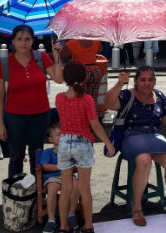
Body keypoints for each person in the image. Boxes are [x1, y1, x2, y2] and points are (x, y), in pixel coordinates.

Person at [104, 66, 166, 227]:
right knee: (144, 159)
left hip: (153, 136)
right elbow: (108, 103)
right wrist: (119, 84)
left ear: (155, 82)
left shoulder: (160, 96)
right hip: (131, 135)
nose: (147, 83)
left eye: (150, 80)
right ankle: (136, 208)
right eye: (142, 79)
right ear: (135, 81)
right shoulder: (127, 95)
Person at [0, 24, 64, 178]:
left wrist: (57, 54)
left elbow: (59, 79)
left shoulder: (41, 57)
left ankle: (37, 195)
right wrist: (0, 124)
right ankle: (16, 196)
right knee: (16, 157)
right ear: (13, 41)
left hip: (40, 115)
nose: (23, 43)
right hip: (14, 116)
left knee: (36, 156)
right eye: (19, 39)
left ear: (32, 41)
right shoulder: (5, 63)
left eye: (27, 39)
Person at [56, 61, 115, 233]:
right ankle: (88, 225)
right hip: (82, 142)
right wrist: (108, 144)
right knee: (84, 188)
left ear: (65, 79)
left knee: (65, 189)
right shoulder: (87, 99)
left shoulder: (60, 98)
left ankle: (62, 226)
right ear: (85, 77)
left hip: (64, 142)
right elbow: (95, 125)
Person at [39, 123, 81, 233]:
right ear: (51, 139)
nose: (62, 138)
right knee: (52, 188)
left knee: (76, 184)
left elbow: (76, 165)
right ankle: (51, 220)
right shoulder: (48, 152)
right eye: (58, 135)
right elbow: (44, 166)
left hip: (68, 176)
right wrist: (61, 167)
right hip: (53, 177)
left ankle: (71, 214)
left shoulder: (69, 152)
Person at [60, 40, 103, 116]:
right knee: (93, 98)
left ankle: (82, 120)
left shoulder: (72, 43)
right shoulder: (96, 41)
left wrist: (60, 49)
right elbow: (100, 50)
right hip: (95, 71)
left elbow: (62, 55)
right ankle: (94, 120)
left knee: (80, 98)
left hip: (80, 72)